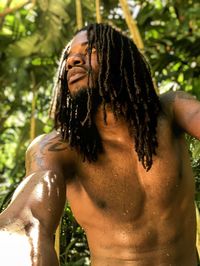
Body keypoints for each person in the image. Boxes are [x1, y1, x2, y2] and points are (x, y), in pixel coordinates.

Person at [0, 22, 200, 266]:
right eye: (69, 58)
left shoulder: (171, 110)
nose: (73, 61)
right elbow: (30, 218)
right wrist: (21, 238)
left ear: (120, 58)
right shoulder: (59, 148)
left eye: (89, 50)